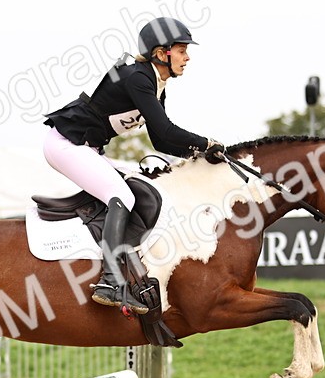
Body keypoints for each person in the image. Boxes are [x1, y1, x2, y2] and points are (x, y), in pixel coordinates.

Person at [42, 16, 227, 314]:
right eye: (181, 49)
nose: (187, 56)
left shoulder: (155, 84)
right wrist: (205, 143)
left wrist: (199, 158)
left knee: (138, 192)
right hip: (66, 144)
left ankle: (121, 273)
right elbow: (167, 131)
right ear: (160, 52)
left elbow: (161, 142)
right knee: (123, 196)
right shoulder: (138, 78)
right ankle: (110, 281)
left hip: (84, 147)